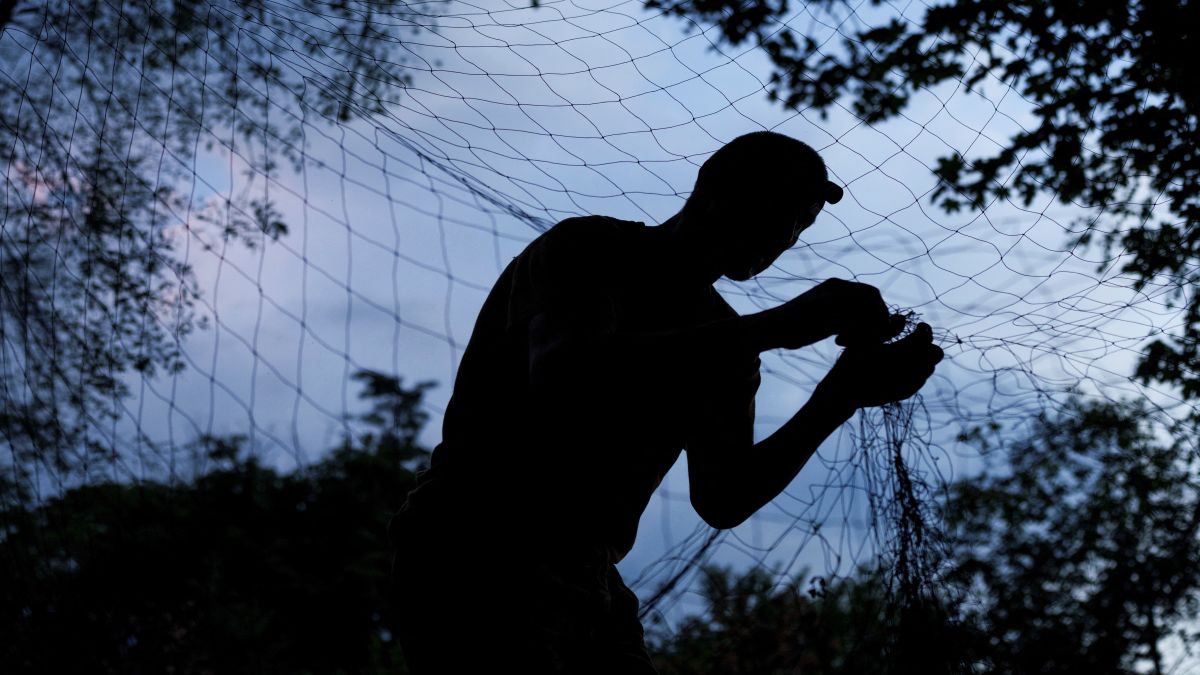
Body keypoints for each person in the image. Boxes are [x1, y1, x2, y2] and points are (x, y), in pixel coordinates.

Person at [386, 131, 944, 673]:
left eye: (801, 224)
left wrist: (839, 395)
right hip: (478, 536)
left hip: (590, 572)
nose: (785, 234)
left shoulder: (729, 337)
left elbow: (723, 497)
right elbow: (565, 372)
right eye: (779, 210)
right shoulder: (592, 247)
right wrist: (775, 327)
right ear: (714, 189)